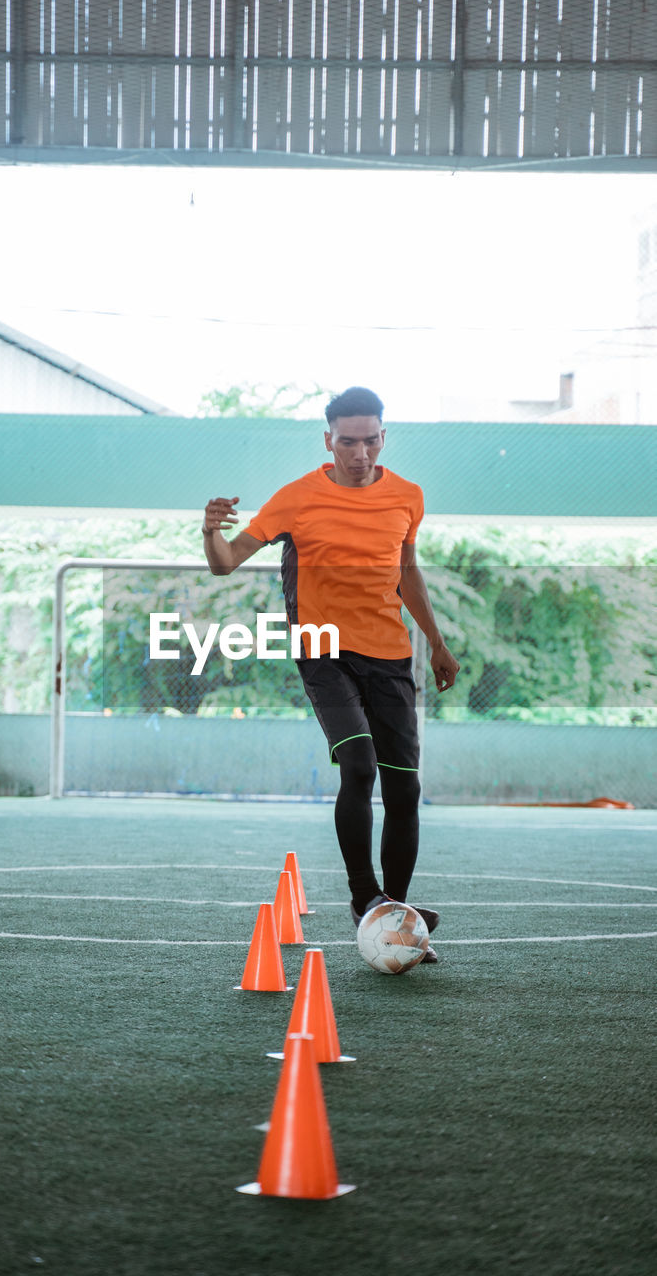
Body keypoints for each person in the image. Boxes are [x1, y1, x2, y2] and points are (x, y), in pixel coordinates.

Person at [201, 385, 460, 962]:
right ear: (329, 441)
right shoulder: (297, 499)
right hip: (323, 650)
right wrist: (210, 530)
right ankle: (364, 897)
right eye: (348, 442)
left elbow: (408, 572)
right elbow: (224, 564)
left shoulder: (408, 497)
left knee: (405, 788)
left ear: (383, 439)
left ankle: (395, 908)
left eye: (370, 441)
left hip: (390, 655)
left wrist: (437, 642)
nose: (360, 453)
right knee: (360, 765)